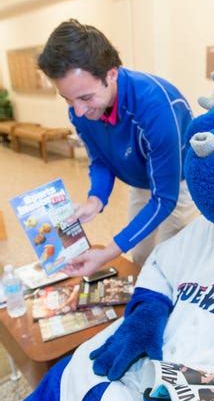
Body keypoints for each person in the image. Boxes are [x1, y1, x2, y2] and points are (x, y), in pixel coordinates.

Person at [38, 19, 198, 273]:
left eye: (85, 97)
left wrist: (107, 254)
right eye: (67, 99)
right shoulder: (81, 111)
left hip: (177, 187)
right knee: (141, 256)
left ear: (111, 73)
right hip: (142, 182)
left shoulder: (158, 107)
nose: (77, 110)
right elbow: (100, 159)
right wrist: (96, 199)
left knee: (169, 263)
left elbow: (165, 199)